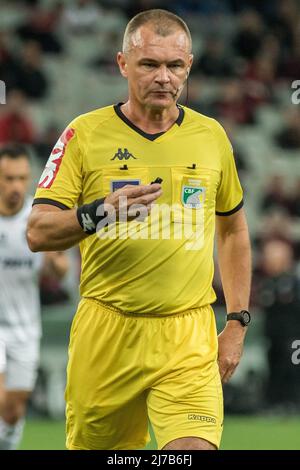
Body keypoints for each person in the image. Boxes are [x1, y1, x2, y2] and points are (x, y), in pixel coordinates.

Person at [27, 9, 251, 450]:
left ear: (189, 67)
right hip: (107, 331)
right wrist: (97, 214)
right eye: (150, 64)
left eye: (175, 66)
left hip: (187, 333)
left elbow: (233, 231)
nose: (164, 77)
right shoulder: (83, 135)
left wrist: (238, 322)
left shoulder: (212, 136)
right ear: (122, 64)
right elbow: (37, 232)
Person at [0, 145, 69, 450]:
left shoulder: (38, 219)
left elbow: (62, 271)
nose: (15, 186)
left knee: (13, 410)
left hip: (25, 327)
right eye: (8, 178)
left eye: (21, 178)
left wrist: (54, 264)